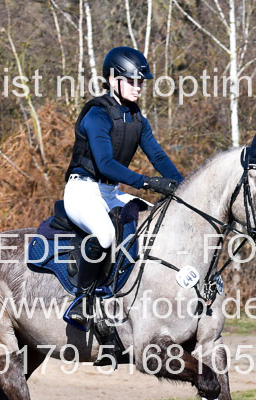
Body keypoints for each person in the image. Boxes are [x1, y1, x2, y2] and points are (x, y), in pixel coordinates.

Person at [63, 46, 184, 320]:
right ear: (113, 79)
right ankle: (82, 299)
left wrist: (183, 186)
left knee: (155, 220)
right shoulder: (97, 115)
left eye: (140, 82)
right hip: (82, 191)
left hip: (110, 192)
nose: (138, 87)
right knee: (105, 235)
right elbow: (105, 164)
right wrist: (147, 182)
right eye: (132, 81)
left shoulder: (136, 118)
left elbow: (157, 156)